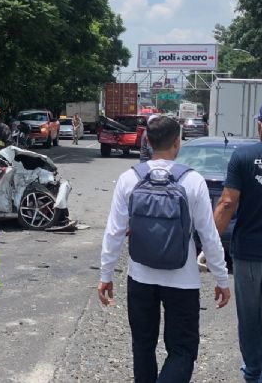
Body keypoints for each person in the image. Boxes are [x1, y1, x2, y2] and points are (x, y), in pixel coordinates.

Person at [98, 116, 231, 383]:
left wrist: (106, 275)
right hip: (183, 280)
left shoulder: (129, 178)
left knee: (143, 346)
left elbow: (114, 231)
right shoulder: (192, 181)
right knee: (182, 350)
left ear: (146, 141)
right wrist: (221, 278)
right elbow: (208, 235)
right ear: (177, 143)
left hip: (140, 278)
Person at [213, 100, 262, 383]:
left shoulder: (244, 156)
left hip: (248, 255)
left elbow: (227, 203)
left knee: (250, 322)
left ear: (261, 125)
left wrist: (211, 243)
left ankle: (254, 375)